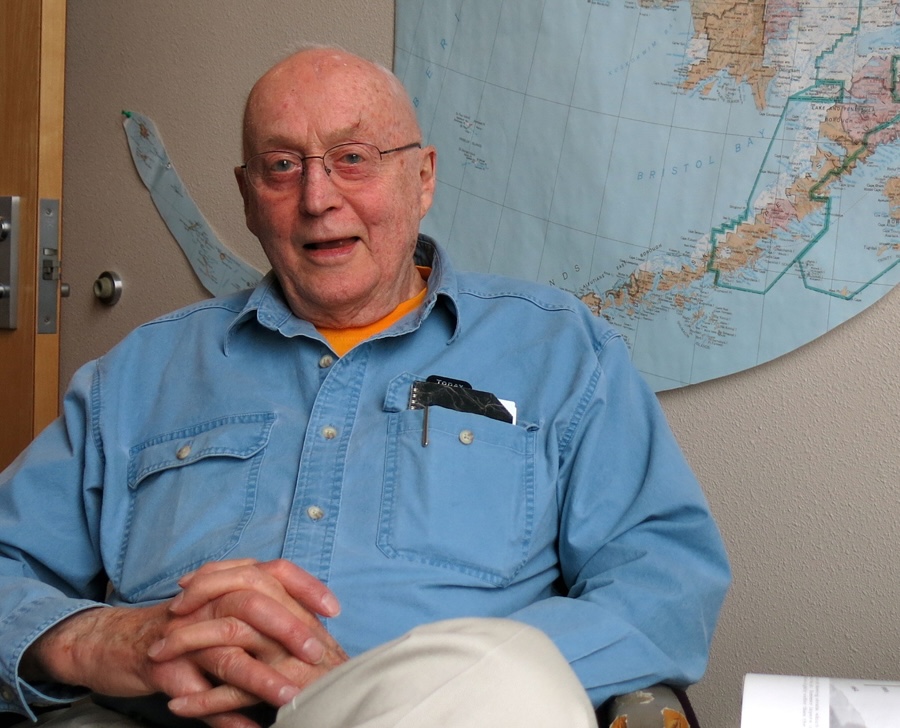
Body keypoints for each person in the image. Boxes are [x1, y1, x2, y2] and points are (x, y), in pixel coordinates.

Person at [0, 46, 730, 728]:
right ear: (249, 197)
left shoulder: (559, 352)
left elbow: (664, 589)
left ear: (423, 178)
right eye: (282, 165)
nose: (318, 198)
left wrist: (408, 686)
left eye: (354, 159)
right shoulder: (137, 375)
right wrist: (98, 639)